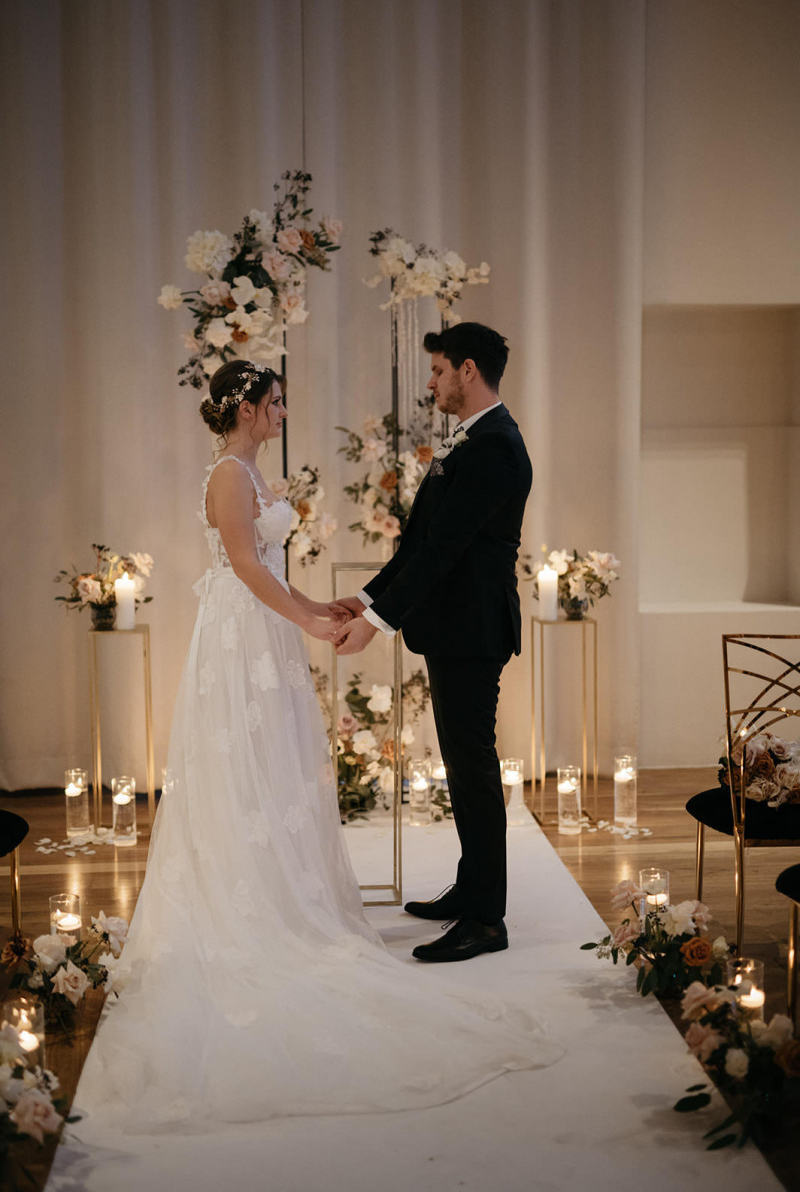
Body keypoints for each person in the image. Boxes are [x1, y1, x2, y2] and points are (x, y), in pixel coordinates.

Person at [72, 359, 558, 1134]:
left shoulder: (256, 473)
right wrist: (307, 614)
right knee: (242, 770)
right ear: (247, 409)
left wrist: (332, 606)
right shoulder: (229, 475)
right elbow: (241, 567)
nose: (283, 410)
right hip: (241, 637)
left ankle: (303, 891)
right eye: (275, 401)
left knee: (282, 771)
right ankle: (252, 903)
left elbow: (268, 564)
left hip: (268, 633)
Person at [334, 323, 531, 964]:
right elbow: (419, 545)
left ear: (468, 370)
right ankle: (471, 891)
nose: (432, 383)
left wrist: (378, 622)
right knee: (462, 766)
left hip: (473, 632)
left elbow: (442, 552)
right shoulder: (474, 442)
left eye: (439, 371)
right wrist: (364, 600)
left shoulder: (496, 447)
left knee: (472, 770)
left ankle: (486, 919)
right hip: (456, 629)